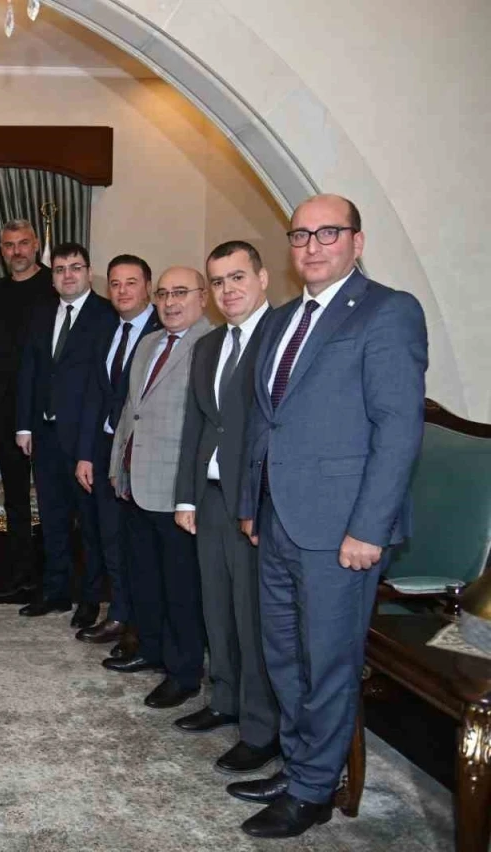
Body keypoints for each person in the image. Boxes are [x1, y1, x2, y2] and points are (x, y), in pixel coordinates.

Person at [230, 195, 427, 839]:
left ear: (357, 242)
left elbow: (398, 429)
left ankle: (314, 790)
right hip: (277, 518)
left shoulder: (388, 311)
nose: (312, 246)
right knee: (284, 655)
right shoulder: (283, 318)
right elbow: (265, 421)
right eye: (300, 235)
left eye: (328, 233)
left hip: (343, 528)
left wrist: (369, 527)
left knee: (328, 660)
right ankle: (299, 767)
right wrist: (250, 503)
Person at [171, 240, 279, 775]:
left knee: (252, 616)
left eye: (238, 277)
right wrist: (186, 495)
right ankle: (225, 700)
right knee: (217, 606)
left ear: (262, 278)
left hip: (257, 501)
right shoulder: (210, 344)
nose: (227, 290)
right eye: (217, 281)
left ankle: (260, 730)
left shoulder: (282, 336)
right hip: (210, 498)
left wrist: (259, 500)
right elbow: (197, 424)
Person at [104, 267, 212, 712]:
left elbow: (206, 426)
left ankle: (184, 673)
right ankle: (150, 648)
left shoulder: (212, 345)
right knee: (144, 577)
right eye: (164, 293)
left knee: (180, 587)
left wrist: (193, 491)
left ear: (203, 297)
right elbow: (131, 410)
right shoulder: (149, 343)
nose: (170, 302)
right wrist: (117, 466)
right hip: (135, 483)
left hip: (176, 489)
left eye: (180, 292)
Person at [15, 243, 116, 624]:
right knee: (52, 519)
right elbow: (29, 370)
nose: (67, 275)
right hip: (44, 436)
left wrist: (89, 447)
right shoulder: (41, 313)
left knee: (89, 524)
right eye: (59, 269)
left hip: (85, 440)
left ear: (89, 272)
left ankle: (91, 598)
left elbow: (104, 387)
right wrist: (24, 425)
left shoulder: (106, 315)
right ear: (52, 277)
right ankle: (56, 592)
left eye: (75, 267)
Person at [75, 255, 162, 652]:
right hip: (105, 449)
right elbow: (95, 394)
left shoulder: (163, 331)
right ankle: (119, 614)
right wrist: (86, 454)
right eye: (115, 283)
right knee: (110, 538)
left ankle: (142, 626)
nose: (122, 291)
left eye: (131, 282)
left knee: (140, 546)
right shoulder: (107, 329)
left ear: (148, 287)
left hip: (143, 453)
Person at [0, 220, 56, 597]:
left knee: (51, 493)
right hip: (6, 410)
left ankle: (54, 573)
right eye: (10, 245)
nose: (17, 251)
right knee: (15, 496)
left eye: (24, 243)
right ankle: (21, 572)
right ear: (1, 250)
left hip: (46, 409)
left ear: (37, 245)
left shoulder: (55, 284)